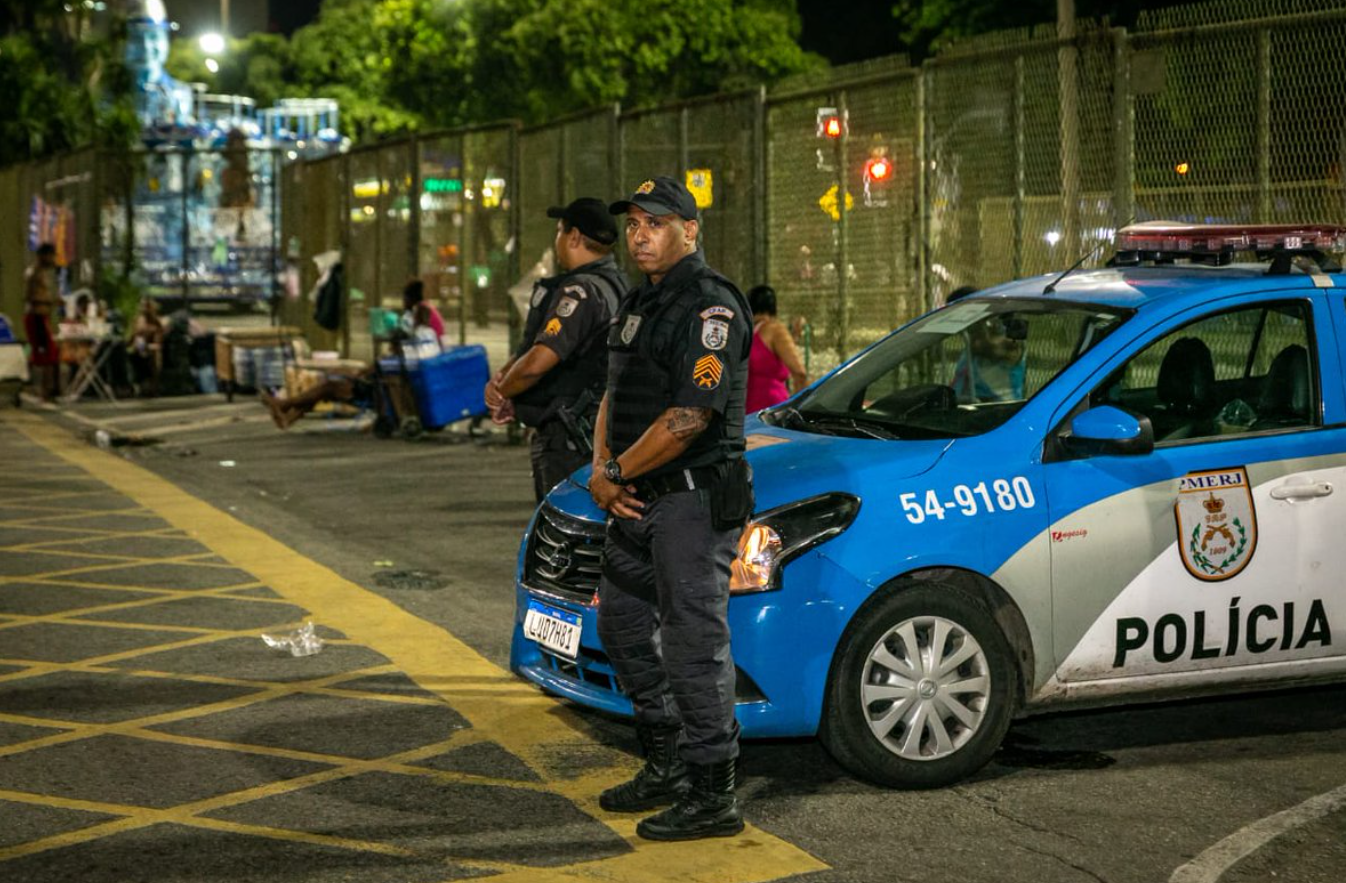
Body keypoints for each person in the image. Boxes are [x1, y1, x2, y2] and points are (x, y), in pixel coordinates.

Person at [589, 176, 754, 841]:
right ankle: (665, 763)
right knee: (623, 623)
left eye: (654, 223)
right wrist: (606, 470)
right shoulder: (640, 301)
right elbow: (615, 389)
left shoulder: (710, 307)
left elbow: (690, 416)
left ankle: (713, 792)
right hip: (634, 499)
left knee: (693, 644)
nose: (639, 235)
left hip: (689, 497)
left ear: (690, 229)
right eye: (632, 225)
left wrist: (616, 472)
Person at [484, 197, 627, 502]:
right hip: (594, 433)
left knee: (563, 530)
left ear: (573, 237)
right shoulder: (616, 285)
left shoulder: (579, 291)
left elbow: (540, 359)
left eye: (560, 230)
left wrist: (503, 391)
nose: (557, 239)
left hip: (571, 437)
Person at [946, 288, 1027, 402]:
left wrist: (976, 321)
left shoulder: (1011, 340)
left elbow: (984, 347)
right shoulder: (971, 342)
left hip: (998, 411)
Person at [744, 284, 807, 412]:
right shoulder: (775, 330)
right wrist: (800, 409)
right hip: (771, 408)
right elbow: (799, 372)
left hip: (747, 409)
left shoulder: (744, 332)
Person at [23, 243, 60, 401]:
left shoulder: (47, 273)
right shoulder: (35, 273)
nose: (53, 259)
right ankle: (45, 390)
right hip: (37, 316)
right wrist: (49, 300)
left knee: (48, 354)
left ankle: (48, 389)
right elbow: (31, 296)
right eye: (51, 255)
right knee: (46, 354)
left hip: (44, 316)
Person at [129, 299, 165, 396]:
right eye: (141, 306)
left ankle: (149, 387)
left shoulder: (156, 324)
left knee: (146, 356)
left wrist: (146, 346)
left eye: (145, 306)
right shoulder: (137, 320)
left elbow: (158, 344)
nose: (142, 309)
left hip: (150, 351)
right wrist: (136, 334)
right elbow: (131, 340)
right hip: (137, 351)